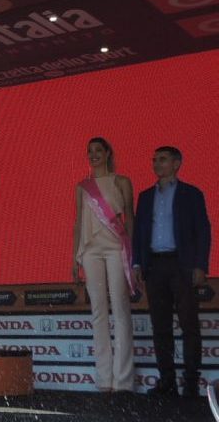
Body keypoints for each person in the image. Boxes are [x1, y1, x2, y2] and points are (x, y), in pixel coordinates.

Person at [132, 146, 211, 398]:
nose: (156, 163)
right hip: (155, 266)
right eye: (154, 159)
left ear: (177, 163)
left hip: (182, 264)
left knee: (189, 325)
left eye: (163, 159)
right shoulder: (145, 197)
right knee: (161, 326)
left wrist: (200, 265)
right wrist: (137, 263)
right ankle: (166, 380)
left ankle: (190, 382)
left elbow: (203, 231)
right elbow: (139, 234)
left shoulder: (191, 194)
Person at [71, 137, 135, 393]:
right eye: (90, 151)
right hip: (90, 251)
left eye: (98, 150)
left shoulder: (122, 181)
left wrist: (132, 254)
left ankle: (124, 380)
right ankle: (104, 379)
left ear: (108, 153)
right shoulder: (82, 186)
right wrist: (74, 259)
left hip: (116, 248)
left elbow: (129, 216)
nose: (94, 155)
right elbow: (78, 223)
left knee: (120, 309)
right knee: (98, 311)